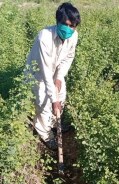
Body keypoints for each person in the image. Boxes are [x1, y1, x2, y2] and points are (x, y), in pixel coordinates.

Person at [26, 2, 81, 149]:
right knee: (44, 103)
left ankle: (54, 123)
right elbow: (44, 70)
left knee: (61, 96)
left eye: (73, 26)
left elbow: (68, 57)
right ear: (58, 22)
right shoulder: (44, 37)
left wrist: (59, 76)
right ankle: (45, 134)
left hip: (55, 71)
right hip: (38, 74)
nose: (70, 29)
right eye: (67, 25)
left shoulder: (73, 36)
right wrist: (53, 99)